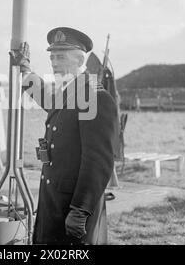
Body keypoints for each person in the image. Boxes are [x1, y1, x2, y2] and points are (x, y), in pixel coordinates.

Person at [11, 27, 119, 245]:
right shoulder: (71, 91)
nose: (54, 62)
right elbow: (46, 97)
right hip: (56, 201)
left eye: (61, 56)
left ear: (80, 59)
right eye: (52, 57)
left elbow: (98, 162)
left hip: (73, 206)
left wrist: (81, 209)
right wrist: (25, 69)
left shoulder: (95, 97)